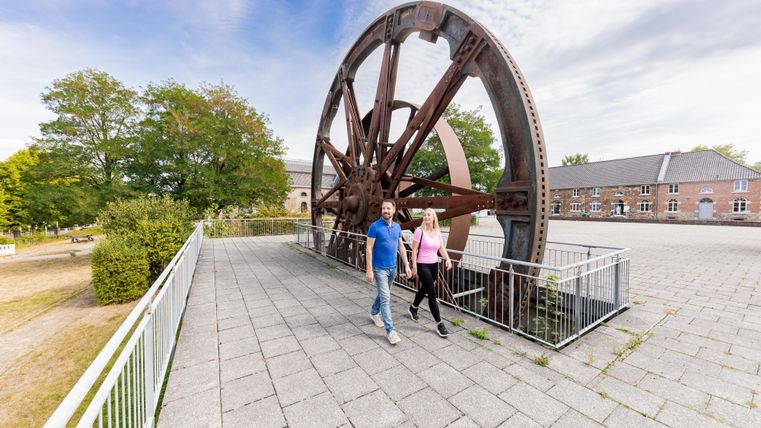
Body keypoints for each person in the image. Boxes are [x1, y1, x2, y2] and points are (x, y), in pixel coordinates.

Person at [366, 199, 411, 345]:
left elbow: (401, 247)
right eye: (383, 208)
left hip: (393, 269)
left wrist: (406, 265)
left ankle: (374, 313)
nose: (385, 211)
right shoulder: (375, 227)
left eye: (388, 208)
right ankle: (390, 330)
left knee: (383, 293)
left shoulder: (397, 227)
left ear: (393, 210)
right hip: (379, 269)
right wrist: (369, 270)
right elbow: (368, 248)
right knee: (386, 298)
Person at [408, 208, 453, 337]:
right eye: (424, 215)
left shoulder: (437, 232)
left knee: (425, 288)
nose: (426, 217)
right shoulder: (419, 231)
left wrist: (447, 259)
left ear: (433, 218)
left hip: (434, 265)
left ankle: (413, 307)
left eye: (429, 215)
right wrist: (414, 266)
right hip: (423, 265)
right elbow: (414, 250)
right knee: (432, 293)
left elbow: (441, 248)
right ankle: (439, 324)